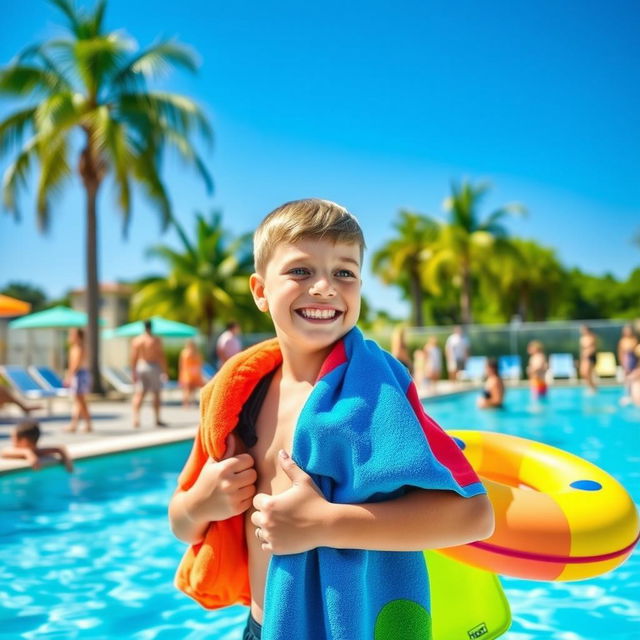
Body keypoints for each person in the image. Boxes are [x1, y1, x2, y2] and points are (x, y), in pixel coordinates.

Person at [168, 198, 493, 640]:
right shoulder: (240, 396)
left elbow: (474, 515)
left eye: (344, 272)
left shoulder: (375, 393)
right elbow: (181, 522)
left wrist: (324, 523)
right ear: (260, 291)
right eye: (300, 271)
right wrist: (201, 503)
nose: (324, 287)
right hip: (262, 627)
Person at [131, 319, 168, 428]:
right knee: (156, 393)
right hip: (153, 366)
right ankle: (157, 419)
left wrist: (133, 371)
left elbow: (133, 357)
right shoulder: (155, 340)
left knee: (140, 393)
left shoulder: (137, 340)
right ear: (151, 327)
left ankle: (136, 418)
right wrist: (165, 371)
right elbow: (161, 356)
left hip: (141, 365)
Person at [1, 419, 73, 471]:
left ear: (24, 441)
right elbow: (3, 452)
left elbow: (60, 448)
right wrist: (27, 452)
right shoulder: (33, 452)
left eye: (13, 438)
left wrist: (67, 462)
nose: (12, 441)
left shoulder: (36, 451)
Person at [64, 327, 92, 433]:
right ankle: (75, 424)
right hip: (79, 374)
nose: (70, 336)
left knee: (80, 400)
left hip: (79, 375)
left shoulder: (79, 348)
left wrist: (69, 377)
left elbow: (76, 364)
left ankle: (85, 424)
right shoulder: (76, 347)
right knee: (78, 401)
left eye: (72, 334)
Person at [179, 339, 204, 407]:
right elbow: (200, 363)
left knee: (188, 388)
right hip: (194, 372)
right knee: (191, 388)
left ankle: (186, 403)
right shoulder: (196, 353)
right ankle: (190, 402)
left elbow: (181, 364)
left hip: (188, 372)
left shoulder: (185, 352)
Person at [579, 325, 598, 392]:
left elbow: (594, 348)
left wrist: (588, 353)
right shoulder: (582, 338)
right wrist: (581, 358)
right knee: (583, 373)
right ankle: (590, 386)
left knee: (588, 373)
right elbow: (581, 349)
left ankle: (592, 388)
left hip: (590, 357)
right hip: (584, 357)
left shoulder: (592, 337)